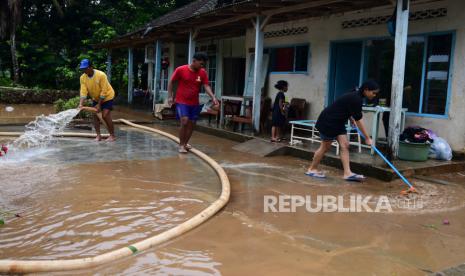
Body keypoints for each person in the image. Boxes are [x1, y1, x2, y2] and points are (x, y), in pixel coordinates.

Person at [306, 80, 379, 181]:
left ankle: (347, 173)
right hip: (329, 121)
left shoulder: (356, 94)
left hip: (338, 122)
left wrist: (350, 118)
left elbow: (345, 106)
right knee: (325, 147)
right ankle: (312, 169)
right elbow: (359, 120)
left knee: (345, 145)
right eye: (373, 92)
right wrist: (367, 138)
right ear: (366, 90)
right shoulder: (356, 98)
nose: (374, 95)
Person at [168, 52, 219, 153]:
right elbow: (171, 81)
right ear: (194, 61)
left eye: (203, 64)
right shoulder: (181, 69)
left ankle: (185, 143)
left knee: (192, 124)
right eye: (200, 64)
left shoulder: (202, 72)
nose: (202, 66)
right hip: (181, 101)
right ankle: (181, 145)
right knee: (185, 121)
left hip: (194, 103)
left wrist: (213, 97)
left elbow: (206, 86)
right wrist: (170, 96)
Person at [78, 59, 116, 142]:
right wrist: (81, 104)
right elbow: (83, 91)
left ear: (91, 67)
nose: (84, 70)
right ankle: (98, 136)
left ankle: (112, 136)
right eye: (82, 69)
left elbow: (104, 91)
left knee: (105, 115)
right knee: (95, 116)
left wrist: (99, 105)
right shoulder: (83, 78)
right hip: (96, 97)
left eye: (85, 68)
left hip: (107, 96)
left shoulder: (101, 75)